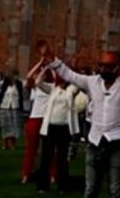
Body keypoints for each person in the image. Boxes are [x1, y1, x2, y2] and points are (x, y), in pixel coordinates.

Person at [43, 42, 120, 198]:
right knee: (90, 190)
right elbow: (69, 75)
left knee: (115, 190)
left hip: (117, 141)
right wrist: (52, 59)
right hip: (95, 141)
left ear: (117, 67)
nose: (103, 69)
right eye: (101, 65)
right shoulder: (92, 82)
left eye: (107, 66)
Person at [35, 65, 79, 193]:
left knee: (62, 158)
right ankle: (43, 185)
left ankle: (63, 186)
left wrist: (71, 72)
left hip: (64, 127)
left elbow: (77, 82)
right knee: (46, 157)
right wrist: (45, 69)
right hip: (50, 127)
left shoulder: (71, 90)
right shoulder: (52, 89)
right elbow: (38, 82)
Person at [0, 70, 24, 152]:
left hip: (15, 107)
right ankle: (5, 143)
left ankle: (12, 144)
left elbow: (22, 95)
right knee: (5, 126)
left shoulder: (19, 85)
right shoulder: (4, 85)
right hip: (4, 106)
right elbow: (0, 95)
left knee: (14, 126)